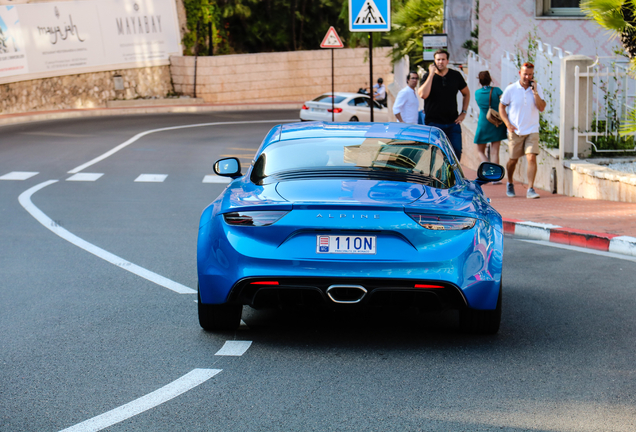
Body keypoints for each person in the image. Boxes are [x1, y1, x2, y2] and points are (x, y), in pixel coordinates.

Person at [499, 62, 546, 199]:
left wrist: (535, 92)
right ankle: (510, 182)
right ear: (520, 73)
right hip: (515, 130)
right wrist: (507, 123)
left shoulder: (537, 89)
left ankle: (530, 188)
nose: (527, 77)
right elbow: (501, 107)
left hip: (532, 129)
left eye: (530, 74)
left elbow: (541, 107)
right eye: (525, 74)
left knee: (531, 157)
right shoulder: (511, 89)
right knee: (513, 160)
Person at [418, 49, 470, 161]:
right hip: (433, 124)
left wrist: (463, 113)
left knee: (456, 153)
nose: (440, 62)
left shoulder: (455, 75)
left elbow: (466, 93)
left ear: (447, 61)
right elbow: (423, 95)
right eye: (438, 59)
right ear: (434, 61)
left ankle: (453, 178)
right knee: (434, 156)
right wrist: (431, 74)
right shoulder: (427, 76)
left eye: (443, 59)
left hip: (453, 123)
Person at [473, 71, 507, 178]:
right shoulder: (497, 90)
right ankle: (496, 177)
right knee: (495, 151)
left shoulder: (477, 93)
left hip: (483, 122)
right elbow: (505, 101)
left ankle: (487, 169)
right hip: (497, 121)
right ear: (490, 79)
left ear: (479, 80)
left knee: (479, 150)